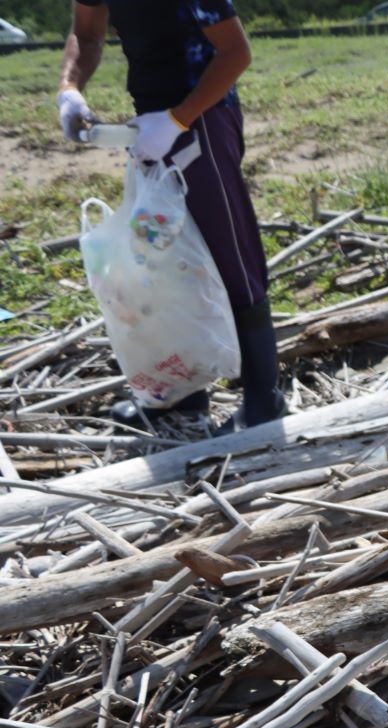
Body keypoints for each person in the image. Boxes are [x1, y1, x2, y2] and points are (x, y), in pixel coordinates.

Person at [57, 0, 284, 433]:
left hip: (203, 120)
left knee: (229, 253)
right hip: (148, 125)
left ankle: (263, 397)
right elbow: (86, 34)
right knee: (165, 258)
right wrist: (70, 88)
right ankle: (182, 395)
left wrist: (178, 121)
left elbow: (235, 53)